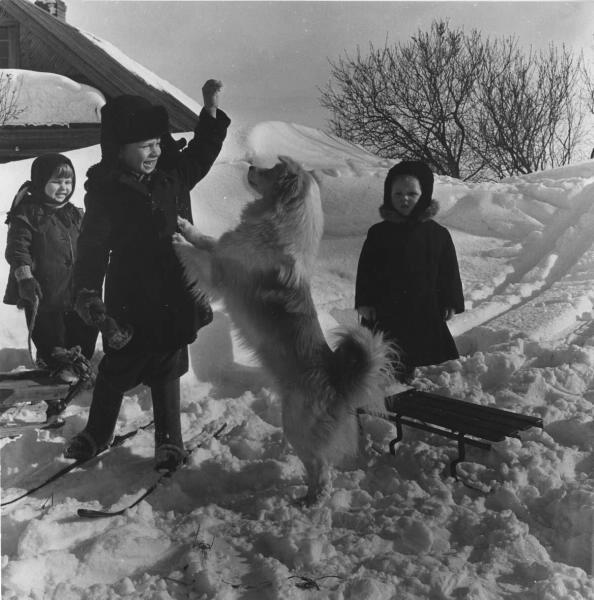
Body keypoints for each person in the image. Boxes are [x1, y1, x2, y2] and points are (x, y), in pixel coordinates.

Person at [64, 80, 230, 470]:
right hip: (130, 293)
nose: (155, 150)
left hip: (174, 288)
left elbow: (204, 152)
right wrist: (88, 292)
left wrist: (209, 112)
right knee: (118, 363)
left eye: (158, 141)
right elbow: (91, 247)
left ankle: (170, 439)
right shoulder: (105, 191)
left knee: (168, 361)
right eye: (144, 145)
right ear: (119, 149)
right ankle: (97, 432)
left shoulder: (172, 174)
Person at [355, 160, 464, 383]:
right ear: (388, 195)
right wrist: (365, 301)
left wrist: (450, 301)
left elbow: (448, 272)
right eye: (398, 194)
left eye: (412, 193)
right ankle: (385, 389)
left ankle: (410, 385)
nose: (404, 198)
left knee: (416, 351)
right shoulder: (378, 233)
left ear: (424, 195)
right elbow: (366, 269)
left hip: (423, 307)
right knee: (384, 354)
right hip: (386, 309)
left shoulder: (438, 234)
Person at [3, 153, 98, 384]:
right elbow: (18, 249)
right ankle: (56, 365)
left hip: (73, 290)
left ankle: (77, 362)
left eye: (68, 182)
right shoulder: (28, 213)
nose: (64, 187)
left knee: (82, 330)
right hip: (42, 292)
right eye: (57, 181)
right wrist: (25, 278)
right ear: (40, 181)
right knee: (50, 334)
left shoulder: (74, 214)